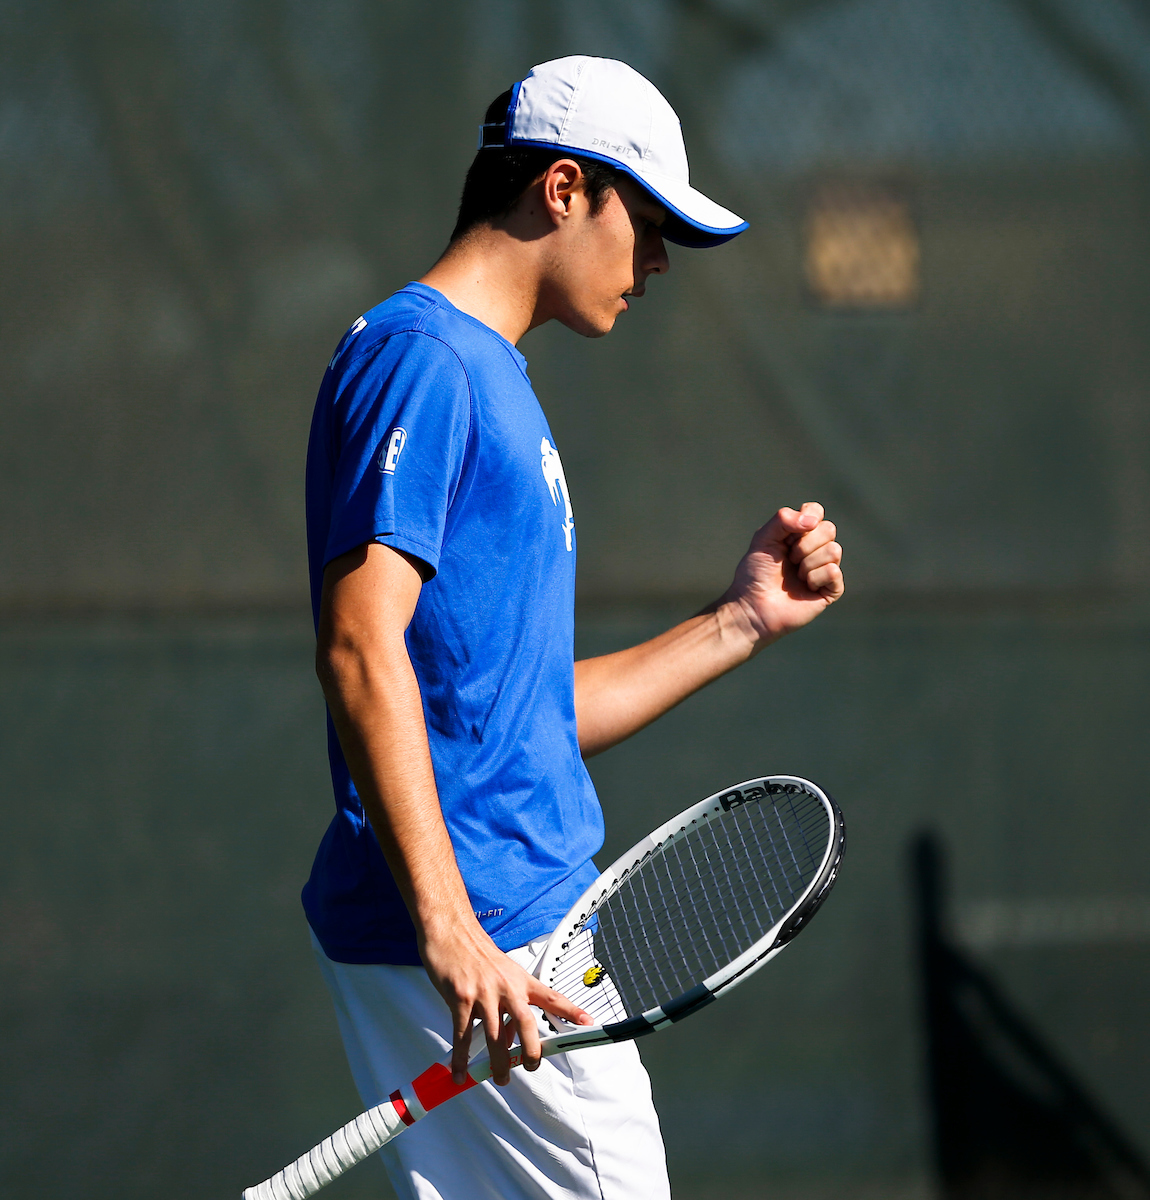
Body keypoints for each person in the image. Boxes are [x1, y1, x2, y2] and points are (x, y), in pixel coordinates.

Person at [303, 56, 844, 1200]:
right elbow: (359, 644)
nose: (658, 263)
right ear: (562, 190)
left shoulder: (474, 372)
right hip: (497, 935)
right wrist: (452, 928)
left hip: (481, 923)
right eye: (648, 224)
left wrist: (740, 621)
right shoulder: (429, 363)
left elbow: (517, 722)